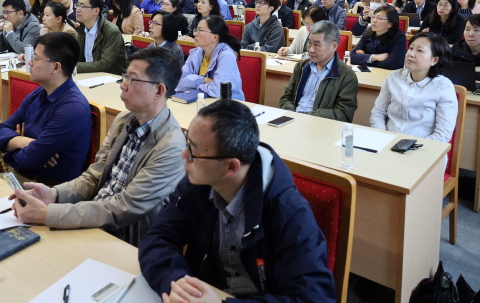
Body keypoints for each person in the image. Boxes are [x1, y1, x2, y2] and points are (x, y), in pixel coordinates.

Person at [139, 100, 336, 303]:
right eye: (187, 143)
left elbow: (314, 298)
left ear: (231, 167)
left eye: (193, 151)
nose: (184, 155)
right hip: (206, 292)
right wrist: (177, 283)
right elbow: (158, 237)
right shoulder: (196, 183)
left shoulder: (289, 212)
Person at [9, 47, 187, 244]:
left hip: (127, 240)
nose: (123, 85)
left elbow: (124, 208)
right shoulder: (123, 121)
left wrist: (47, 214)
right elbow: (94, 177)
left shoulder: (172, 147)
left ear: (159, 91)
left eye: (132, 79)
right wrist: (54, 194)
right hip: (95, 219)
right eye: (125, 77)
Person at [0, 33, 91, 185]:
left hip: (45, 187)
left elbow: (30, 159)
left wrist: (11, 147)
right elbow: (1, 131)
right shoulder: (39, 92)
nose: (30, 62)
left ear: (56, 67)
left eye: (36, 58)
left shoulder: (72, 108)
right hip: (18, 175)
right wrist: (23, 142)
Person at [371, 33, 457, 143]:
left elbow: (443, 134)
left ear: (434, 60)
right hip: (386, 142)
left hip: (422, 148)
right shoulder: (394, 77)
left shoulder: (444, 87)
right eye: (411, 48)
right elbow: (378, 113)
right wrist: (382, 138)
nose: (411, 54)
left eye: (419, 50)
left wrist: (411, 147)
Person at [279, 21, 358, 121]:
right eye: (309, 43)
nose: (310, 49)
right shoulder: (302, 66)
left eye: (316, 45)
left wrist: (306, 117)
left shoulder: (347, 76)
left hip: (319, 125)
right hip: (293, 119)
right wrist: (291, 114)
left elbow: (342, 113)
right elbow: (286, 97)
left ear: (333, 46)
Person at [177, 15, 245, 100]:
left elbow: (218, 90)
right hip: (200, 101)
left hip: (226, 104)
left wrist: (192, 82)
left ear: (215, 37)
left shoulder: (226, 56)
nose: (195, 34)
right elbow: (179, 82)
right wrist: (204, 80)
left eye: (200, 30)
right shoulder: (196, 52)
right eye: (196, 30)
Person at [75, 0, 127, 75]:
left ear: (96, 11)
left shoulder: (111, 31)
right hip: (89, 75)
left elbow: (104, 64)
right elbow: (77, 56)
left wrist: (72, 67)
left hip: (111, 77)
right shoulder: (81, 29)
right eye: (77, 5)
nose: (77, 9)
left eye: (82, 6)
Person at [350, 6, 407, 70]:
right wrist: (374, 57)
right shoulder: (368, 32)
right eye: (373, 17)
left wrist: (364, 59)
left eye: (379, 18)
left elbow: (393, 64)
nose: (374, 20)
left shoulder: (399, 37)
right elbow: (352, 57)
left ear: (390, 24)